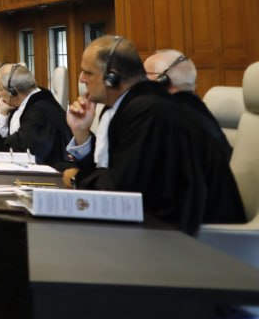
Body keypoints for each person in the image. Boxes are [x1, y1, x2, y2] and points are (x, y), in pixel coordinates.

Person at [62, 36, 243, 234]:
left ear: (111, 77)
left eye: (88, 72)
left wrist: (77, 178)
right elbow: (116, 172)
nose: (82, 79)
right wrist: (81, 133)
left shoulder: (149, 112)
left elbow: (121, 192)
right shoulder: (134, 105)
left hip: (194, 237)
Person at [0, 63, 70, 164]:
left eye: (0, 89)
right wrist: (1, 114)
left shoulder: (41, 110)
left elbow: (21, 147)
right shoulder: (20, 102)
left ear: (13, 92)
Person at [143, 49, 230, 154]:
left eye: (146, 75)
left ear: (163, 80)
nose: (142, 81)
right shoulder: (196, 108)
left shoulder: (165, 118)